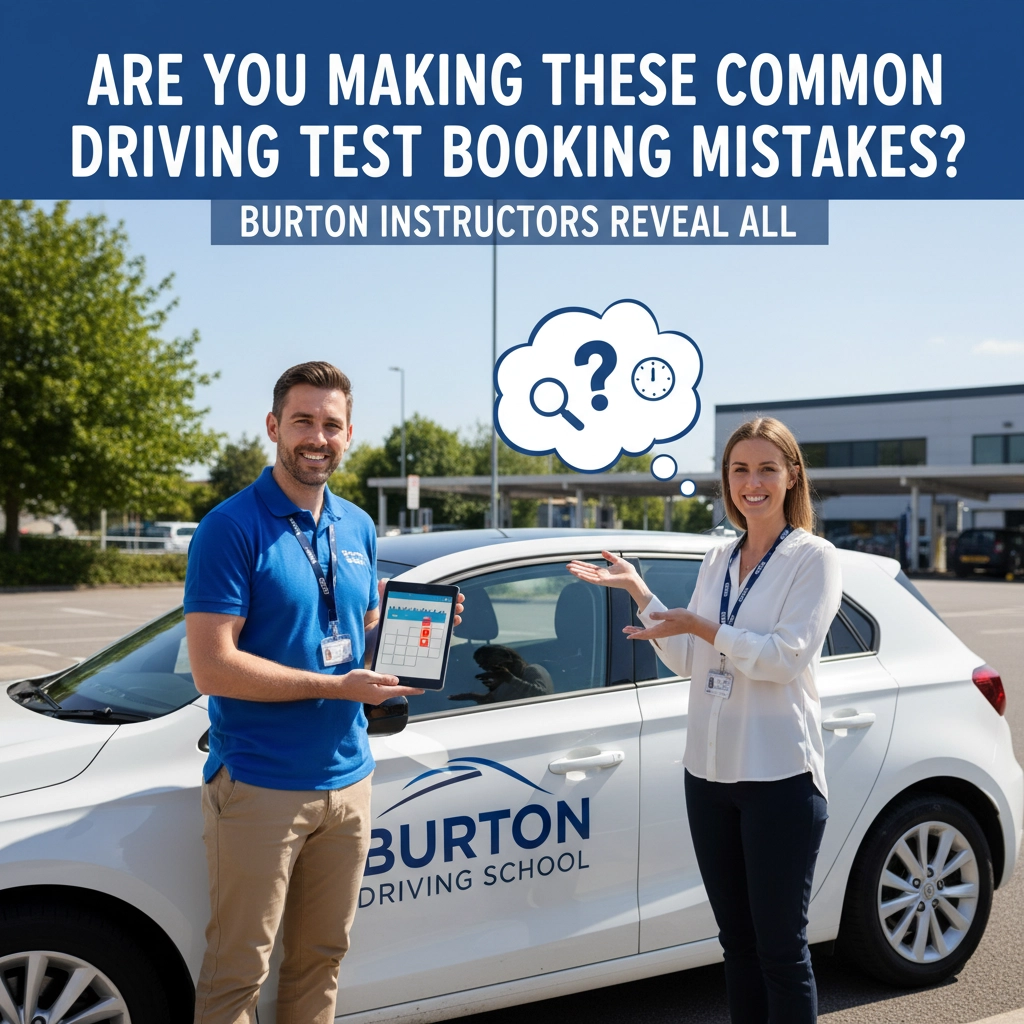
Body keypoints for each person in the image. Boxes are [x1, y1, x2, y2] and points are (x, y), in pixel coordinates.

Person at [184, 361, 462, 1024]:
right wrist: (337, 686)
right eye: (303, 421)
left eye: (331, 424)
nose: (318, 436)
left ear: (349, 435)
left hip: (349, 782)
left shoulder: (358, 525)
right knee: (238, 972)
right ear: (275, 427)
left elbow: (360, 633)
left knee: (321, 957)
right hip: (259, 784)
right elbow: (212, 668)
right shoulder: (231, 526)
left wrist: (413, 633)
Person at [568, 416, 841, 1024]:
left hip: (779, 781)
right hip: (709, 778)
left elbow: (783, 659)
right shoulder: (719, 556)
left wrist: (703, 626)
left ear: (791, 476)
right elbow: (693, 658)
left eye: (767, 468)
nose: (753, 483)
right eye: (740, 470)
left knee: (781, 952)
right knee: (736, 947)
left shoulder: (814, 558)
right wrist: (642, 593)